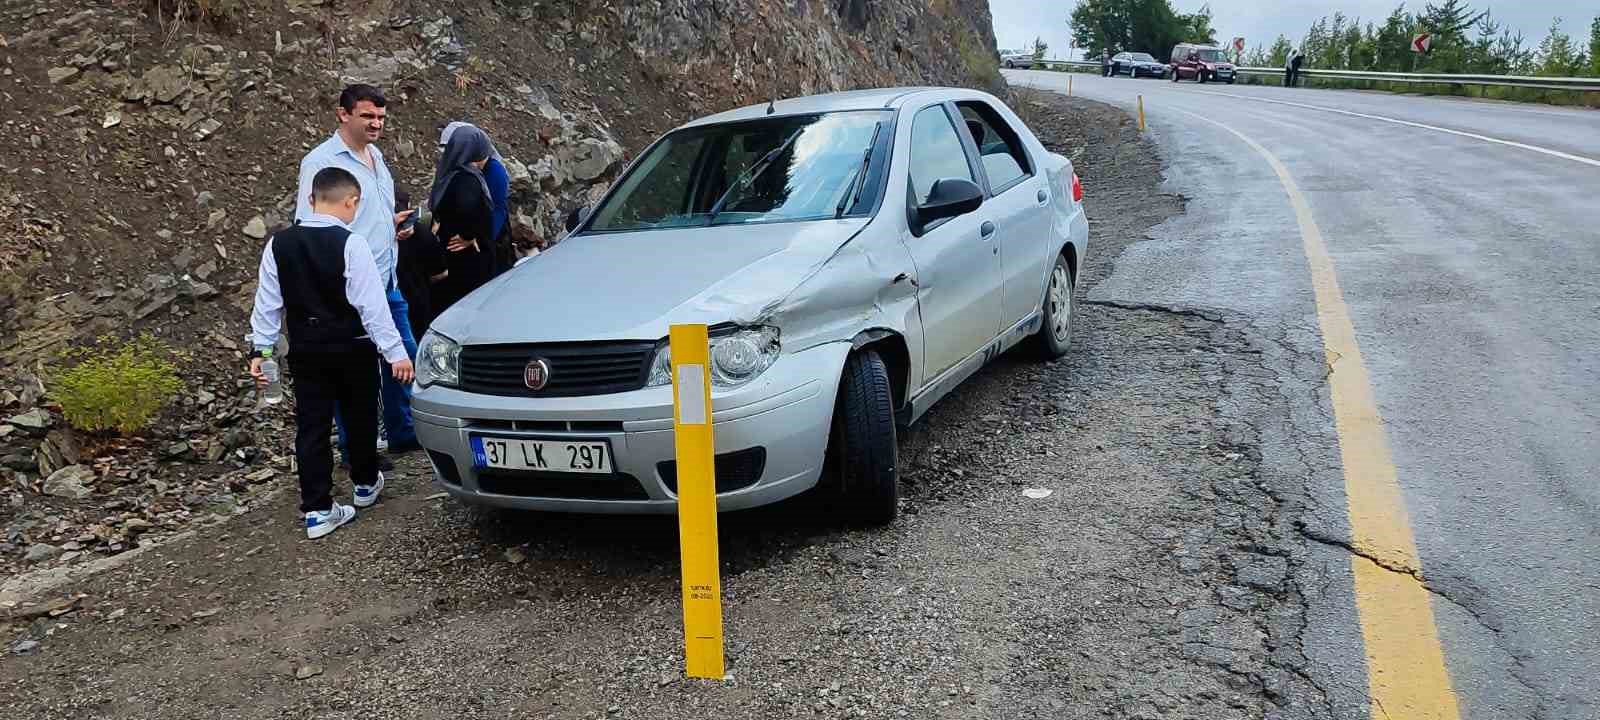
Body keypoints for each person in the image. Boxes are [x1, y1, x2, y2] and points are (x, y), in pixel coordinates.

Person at [249, 167, 415, 540]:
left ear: (311, 199)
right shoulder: (351, 243)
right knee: (359, 416)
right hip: (352, 345)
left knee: (312, 425)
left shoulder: (279, 244)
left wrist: (261, 350)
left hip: (306, 348)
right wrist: (396, 354)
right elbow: (372, 307)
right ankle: (365, 483)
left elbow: (268, 305)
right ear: (351, 201)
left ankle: (318, 508)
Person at [295, 83, 421, 461]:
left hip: (387, 277)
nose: (376, 124)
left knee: (403, 357)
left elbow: (370, 214)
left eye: (381, 117)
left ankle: (402, 431)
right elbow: (309, 223)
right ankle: (356, 448)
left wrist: (394, 226)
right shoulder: (320, 163)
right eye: (367, 116)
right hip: (349, 284)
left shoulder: (376, 157)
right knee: (355, 370)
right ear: (343, 114)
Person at [428, 125, 497, 314]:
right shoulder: (468, 179)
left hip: (448, 248)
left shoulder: (449, 173)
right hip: (466, 256)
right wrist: (470, 235)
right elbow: (467, 208)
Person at [439, 121, 512, 275]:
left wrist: (477, 238)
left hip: (488, 240)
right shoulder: (461, 169)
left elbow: (497, 209)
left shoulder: (494, 171)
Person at [393, 189, 447, 340]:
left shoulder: (377, 233)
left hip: (389, 299)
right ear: (409, 206)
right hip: (417, 299)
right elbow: (442, 273)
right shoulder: (422, 233)